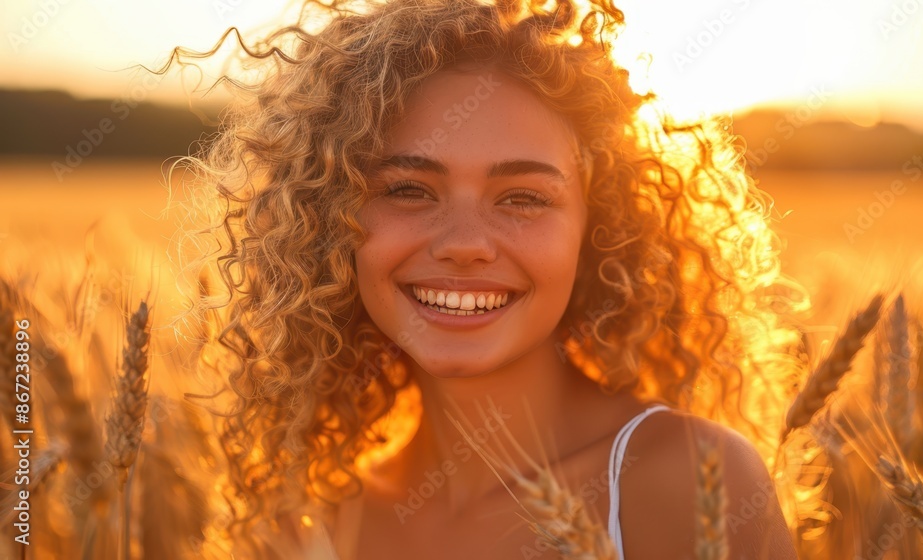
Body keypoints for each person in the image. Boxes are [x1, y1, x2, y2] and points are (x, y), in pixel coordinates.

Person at [173, 0, 801, 558]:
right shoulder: (324, 523)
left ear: (598, 227)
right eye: (409, 190)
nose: (466, 245)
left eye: (523, 198)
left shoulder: (687, 479)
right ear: (332, 222)